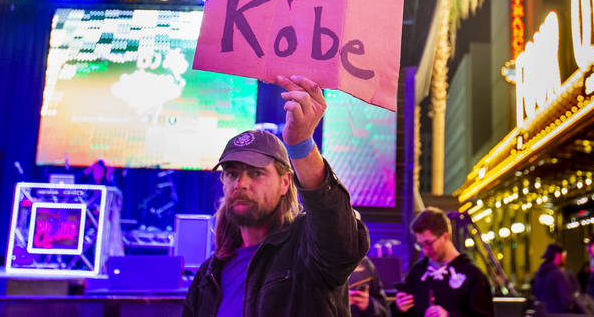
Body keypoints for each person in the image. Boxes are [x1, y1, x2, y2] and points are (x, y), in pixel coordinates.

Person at [182, 74, 369, 316]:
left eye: (256, 173)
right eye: (232, 173)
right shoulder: (209, 274)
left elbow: (342, 244)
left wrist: (301, 145)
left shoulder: (307, 251)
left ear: (285, 182)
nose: (241, 183)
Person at [392, 207, 493, 317]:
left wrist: (448, 315)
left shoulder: (473, 275)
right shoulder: (418, 271)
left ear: (445, 236)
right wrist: (399, 308)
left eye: (429, 243)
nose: (425, 250)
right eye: (421, 245)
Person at [532, 242, 576, 314]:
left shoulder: (539, 273)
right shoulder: (557, 274)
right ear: (558, 255)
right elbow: (565, 300)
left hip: (541, 314)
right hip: (556, 313)